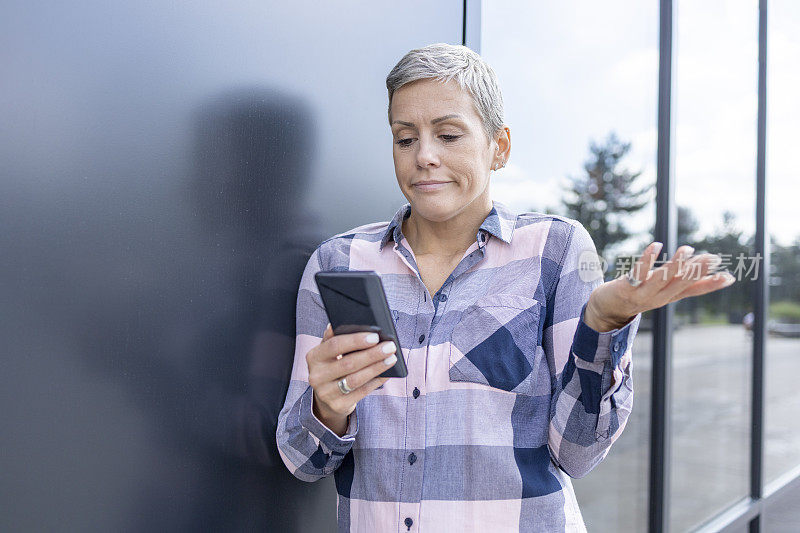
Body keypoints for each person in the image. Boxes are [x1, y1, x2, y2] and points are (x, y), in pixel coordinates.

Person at [275, 43, 735, 532]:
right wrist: (328, 405)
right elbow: (303, 460)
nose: (425, 156)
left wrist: (603, 323)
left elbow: (578, 452)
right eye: (405, 139)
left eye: (448, 134)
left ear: (500, 146)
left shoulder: (554, 250)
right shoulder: (339, 261)